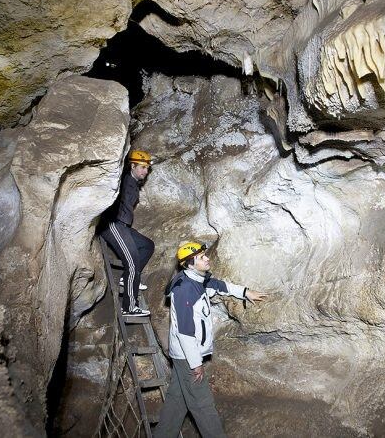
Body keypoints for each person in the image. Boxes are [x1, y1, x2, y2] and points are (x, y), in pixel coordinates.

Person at [154, 242, 268, 437]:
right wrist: (195, 364)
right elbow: (185, 331)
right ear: (190, 264)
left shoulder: (197, 279)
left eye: (204, 254)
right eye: (201, 257)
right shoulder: (184, 289)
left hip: (185, 356)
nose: (207, 258)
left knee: (176, 401)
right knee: (203, 404)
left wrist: (245, 292)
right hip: (187, 356)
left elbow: (219, 285)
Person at [100, 150, 155, 316]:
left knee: (147, 245)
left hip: (123, 226)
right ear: (132, 166)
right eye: (142, 168)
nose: (145, 172)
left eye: (147, 168)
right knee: (131, 262)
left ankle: (127, 278)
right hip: (113, 224)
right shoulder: (123, 180)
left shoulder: (133, 183)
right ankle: (129, 307)